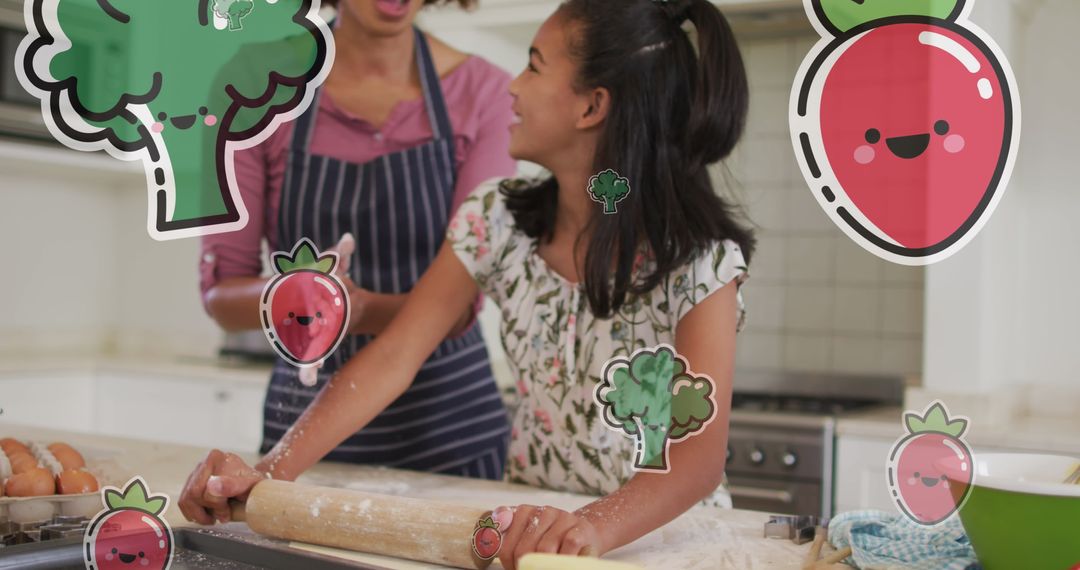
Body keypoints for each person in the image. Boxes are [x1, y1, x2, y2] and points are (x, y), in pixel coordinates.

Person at [183, 0, 755, 567]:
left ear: (591, 106)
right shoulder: (497, 221)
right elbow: (395, 355)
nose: (512, 85)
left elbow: (695, 464)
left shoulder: (699, 262)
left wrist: (587, 531)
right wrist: (267, 474)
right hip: (532, 528)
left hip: (661, 541)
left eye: (533, 65)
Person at [197, 0, 517, 486]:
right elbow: (223, 297)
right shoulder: (252, 84)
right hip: (301, 437)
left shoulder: (484, 93)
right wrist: (300, 298)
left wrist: (360, 309)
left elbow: (459, 304)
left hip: (452, 432)